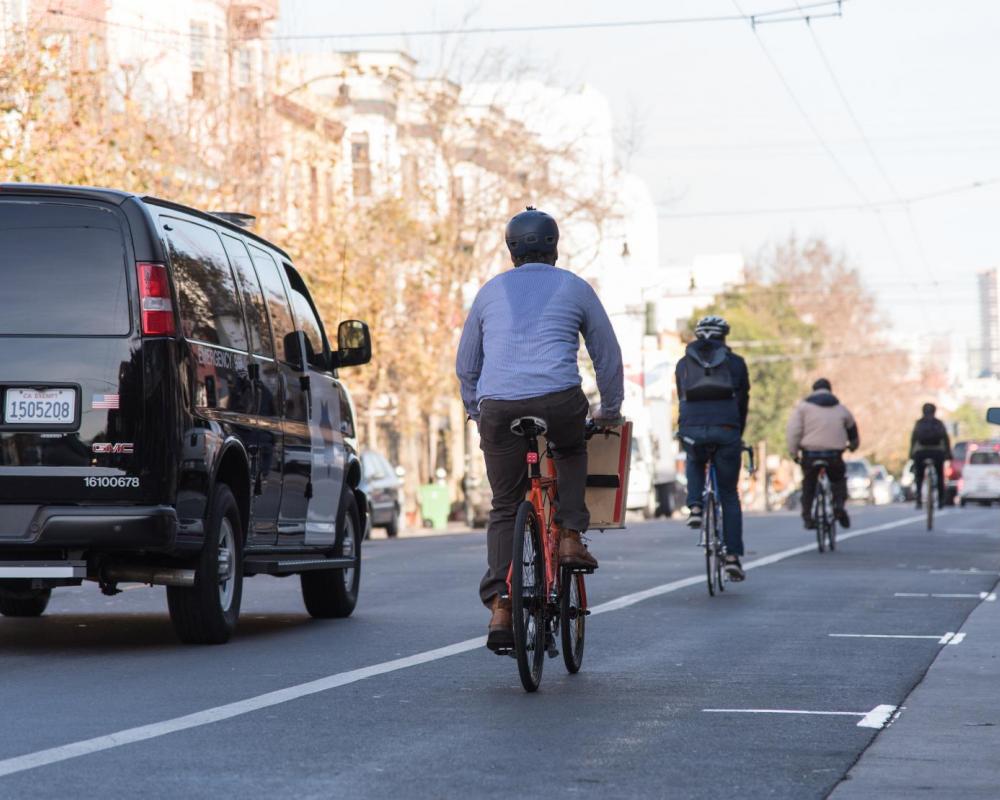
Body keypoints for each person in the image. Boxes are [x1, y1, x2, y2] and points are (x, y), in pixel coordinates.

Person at [455, 207, 624, 652]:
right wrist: (610, 410)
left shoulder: (489, 292)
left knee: (506, 505)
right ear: (554, 245)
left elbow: (466, 364)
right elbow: (607, 354)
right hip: (558, 398)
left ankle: (501, 606)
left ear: (511, 249)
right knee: (569, 450)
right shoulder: (575, 287)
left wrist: (476, 410)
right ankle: (569, 536)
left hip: (497, 407)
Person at [676, 315, 750, 581]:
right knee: (729, 494)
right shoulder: (737, 364)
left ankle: (695, 506)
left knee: (694, 458)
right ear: (724, 337)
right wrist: (736, 431)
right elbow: (742, 402)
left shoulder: (683, 364)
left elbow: (681, 399)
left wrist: (683, 430)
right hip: (727, 429)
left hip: (692, 428)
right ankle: (732, 557)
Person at [786, 378, 859, 530]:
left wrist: (794, 453)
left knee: (808, 484)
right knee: (838, 480)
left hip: (810, 454)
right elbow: (852, 431)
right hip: (834, 454)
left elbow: (794, 432)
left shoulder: (803, 408)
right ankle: (839, 505)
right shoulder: (841, 409)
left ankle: (807, 516)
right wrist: (852, 446)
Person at [909, 403, 951, 509]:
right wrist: (948, 454)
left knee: (919, 475)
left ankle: (918, 499)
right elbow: (945, 439)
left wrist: (911, 454)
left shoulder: (919, 423)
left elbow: (914, 439)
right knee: (940, 476)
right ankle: (941, 500)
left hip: (921, 452)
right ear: (934, 411)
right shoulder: (939, 423)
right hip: (937, 452)